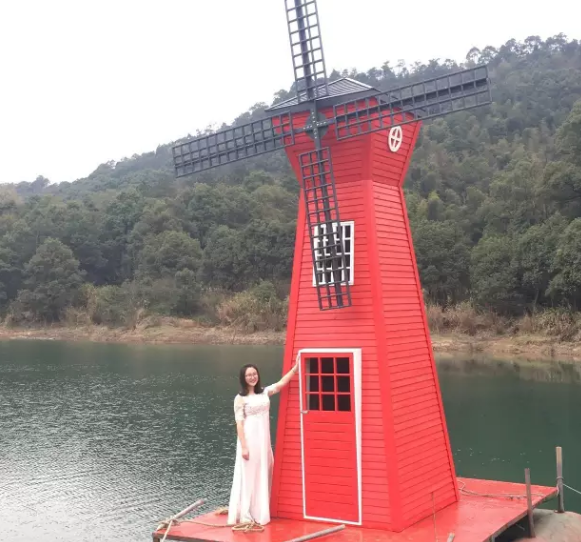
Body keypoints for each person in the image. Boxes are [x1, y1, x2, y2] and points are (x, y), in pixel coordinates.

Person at [227, 360, 299, 526]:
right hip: (249, 440)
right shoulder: (240, 399)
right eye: (248, 375)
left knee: (264, 469)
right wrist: (244, 447)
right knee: (249, 473)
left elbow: (280, 384)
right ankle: (245, 513)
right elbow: (239, 424)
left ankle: (259, 510)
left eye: (254, 374)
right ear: (243, 378)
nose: (252, 377)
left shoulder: (264, 392)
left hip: (263, 440)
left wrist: (295, 369)